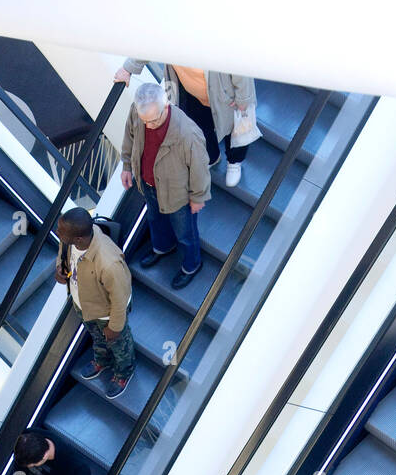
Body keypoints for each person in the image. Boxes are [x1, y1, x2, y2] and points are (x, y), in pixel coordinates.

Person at [120, 81, 211, 290]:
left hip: (178, 193)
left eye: (154, 120)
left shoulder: (187, 133)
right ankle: (162, 247)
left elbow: (199, 168)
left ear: (166, 106)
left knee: (185, 233)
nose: (149, 125)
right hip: (149, 184)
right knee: (155, 219)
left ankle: (191, 265)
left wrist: (198, 197)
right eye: (145, 121)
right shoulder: (139, 112)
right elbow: (129, 136)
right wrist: (126, 165)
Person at [115, 60, 256, 188]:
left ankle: (235, 161)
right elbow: (149, 42)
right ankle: (211, 157)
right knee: (199, 128)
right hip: (191, 92)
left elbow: (239, 63)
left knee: (237, 127)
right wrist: (128, 69)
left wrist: (244, 98)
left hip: (225, 93)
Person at [55, 207, 135, 400]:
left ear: (79, 239)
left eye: (62, 232)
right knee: (97, 337)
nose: (59, 234)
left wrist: (115, 327)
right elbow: (63, 254)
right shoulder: (70, 242)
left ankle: (124, 372)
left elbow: (120, 299)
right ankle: (102, 360)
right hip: (85, 306)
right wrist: (60, 268)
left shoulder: (108, 263)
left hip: (108, 314)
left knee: (118, 343)